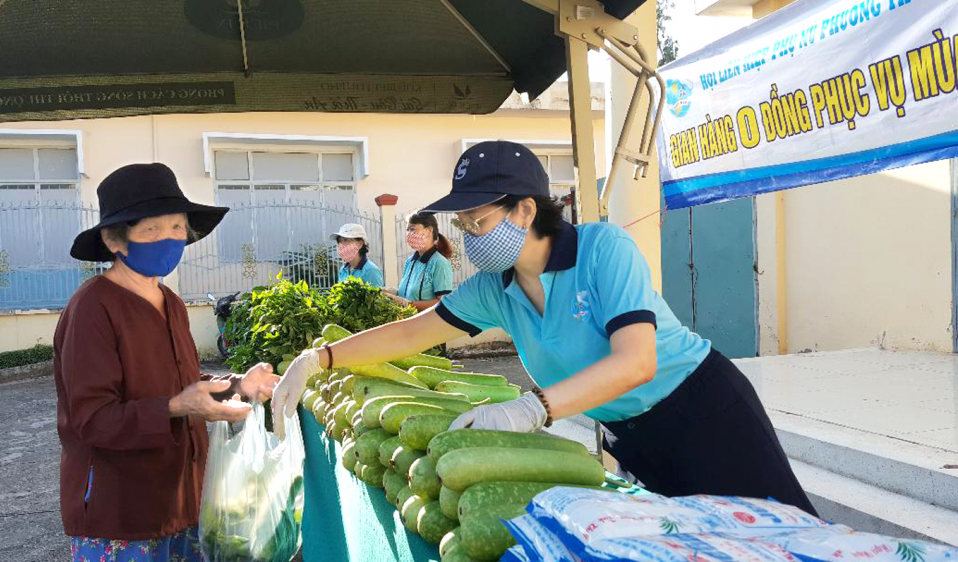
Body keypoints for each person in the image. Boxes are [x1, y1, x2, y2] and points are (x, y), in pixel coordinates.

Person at [272, 141, 817, 516]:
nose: (467, 236)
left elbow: (637, 362)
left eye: (478, 222)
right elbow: (414, 333)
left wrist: (531, 408)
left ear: (526, 211)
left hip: (704, 412)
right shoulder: (493, 287)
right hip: (633, 436)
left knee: (784, 542)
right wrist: (319, 359)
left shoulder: (604, 249)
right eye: (462, 226)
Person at [55, 163, 281, 561]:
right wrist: (177, 408)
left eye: (177, 227)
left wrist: (237, 385)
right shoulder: (92, 308)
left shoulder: (171, 303)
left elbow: (182, 382)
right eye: (151, 230)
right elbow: (91, 419)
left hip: (182, 502)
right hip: (122, 512)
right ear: (114, 240)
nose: (170, 239)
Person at [383, 212, 454, 311]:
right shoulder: (410, 261)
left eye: (412, 229)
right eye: (407, 230)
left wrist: (409, 304)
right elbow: (409, 293)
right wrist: (394, 293)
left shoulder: (439, 263)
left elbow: (443, 303)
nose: (409, 234)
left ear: (429, 231)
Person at [333, 223, 384, 287]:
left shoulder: (371, 271)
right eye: (339, 241)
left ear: (360, 244)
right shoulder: (343, 269)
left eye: (346, 240)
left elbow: (376, 295)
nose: (341, 245)